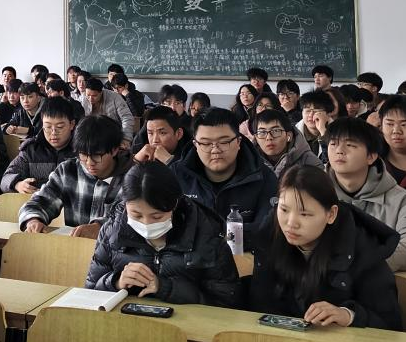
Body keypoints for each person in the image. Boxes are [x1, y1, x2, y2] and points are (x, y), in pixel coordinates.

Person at [250, 165, 401, 330]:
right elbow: (259, 304)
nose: (291, 223)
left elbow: (390, 323)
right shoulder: (268, 238)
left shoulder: (363, 249)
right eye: (284, 209)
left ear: (331, 214)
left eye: (304, 214)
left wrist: (349, 315)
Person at [87, 161, 243, 307]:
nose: (147, 223)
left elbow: (227, 302)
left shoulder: (206, 234)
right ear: (125, 204)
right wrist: (115, 282)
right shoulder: (112, 231)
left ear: (174, 204)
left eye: (157, 216)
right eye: (136, 215)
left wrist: (166, 287)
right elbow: (90, 291)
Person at [327, 118, 406, 271]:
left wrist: (363, 261)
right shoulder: (312, 193)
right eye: (333, 144)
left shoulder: (401, 200)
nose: (339, 150)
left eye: (350, 145)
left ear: (371, 156)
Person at [171, 108, 277, 252]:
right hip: (189, 260)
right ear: (195, 145)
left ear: (238, 142)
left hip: (245, 258)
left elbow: (266, 230)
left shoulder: (263, 177)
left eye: (224, 142)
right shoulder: (176, 175)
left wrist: (210, 235)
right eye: (206, 143)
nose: (215, 150)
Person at [19, 116, 131, 239]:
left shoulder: (132, 178)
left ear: (115, 150)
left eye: (96, 156)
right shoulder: (68, 171)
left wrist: (101, 228)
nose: (89, 163)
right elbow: (40, 201)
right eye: (83, 155)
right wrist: (33, 219)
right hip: (73, 247)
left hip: (115, 250)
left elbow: (132, 221)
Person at [0, 96, 77, 194]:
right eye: (48, 126)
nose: (53, 132)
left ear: (72, 124)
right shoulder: (32, 149)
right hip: (38, 201)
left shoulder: (81, 150)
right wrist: (17, 184)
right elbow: (6, 179)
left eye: (60, 127)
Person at [252, 108, 320, 180]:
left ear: (289, 136)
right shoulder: (249, 162)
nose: (269, 137)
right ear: (256, 138)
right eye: (262, 132)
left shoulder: (310, 162)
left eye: (276, 131)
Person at [296, 90, 336, 161]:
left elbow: (331, 160)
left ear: (328, 114)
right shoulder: (293, 132)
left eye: (316, 111)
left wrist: (323, 132)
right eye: (307, 111)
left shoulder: (339, 132)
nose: (311, 115)